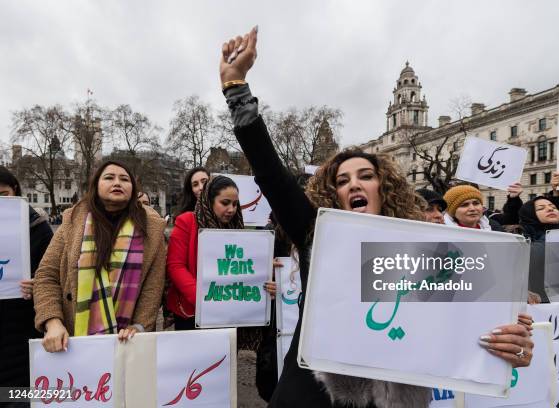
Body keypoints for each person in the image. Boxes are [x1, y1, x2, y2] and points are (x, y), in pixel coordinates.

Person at [219, 27, 533, 407]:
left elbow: (468, 323)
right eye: (342, 180)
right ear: (332, 193)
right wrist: (236, 88)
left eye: (365, 176)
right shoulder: (317, 233)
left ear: (383, 187)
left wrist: (509, 341)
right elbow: (269, 170)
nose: (354, 184)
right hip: (312, 395)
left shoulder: (430, 250)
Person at [33, 160, 167, 352]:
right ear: (96, 186)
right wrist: (53, 321)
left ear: (133, 189)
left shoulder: (152, 228)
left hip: (129, 342)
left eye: (124, 179)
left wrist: (139, 326)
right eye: (109, 177)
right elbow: (46, 275)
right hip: (71, 338)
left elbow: (153, 287)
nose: (117, 183)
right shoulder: (72, 221)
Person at [0, 167, 53, 395]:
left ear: (15, 191)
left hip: (22, 322)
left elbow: (52, 274)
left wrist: (37, 284)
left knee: (18, 391)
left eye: (3, 194)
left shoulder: (37, 227)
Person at [166, 175, 244, 330]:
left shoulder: (237, 229)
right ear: (209, 200)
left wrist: (264, 266)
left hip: (227, 312)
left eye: (235, 204)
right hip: (193, 313)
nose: (231, 210)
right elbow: (176, 266)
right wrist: (203, 299)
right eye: (225, 203)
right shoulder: (186, 221)